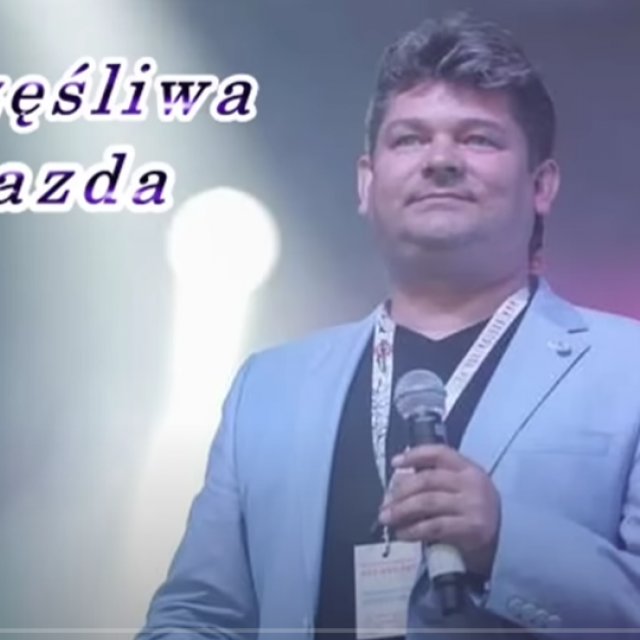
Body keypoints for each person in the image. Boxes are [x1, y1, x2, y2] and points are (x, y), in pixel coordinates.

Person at [136, 13, 640, 639]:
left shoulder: (628, 371)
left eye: (478, 139)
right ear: (366, 183)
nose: (441, 160)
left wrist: (506, 540)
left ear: (541, 186)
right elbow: (199, 614)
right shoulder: (266, 388)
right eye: (409, 139)